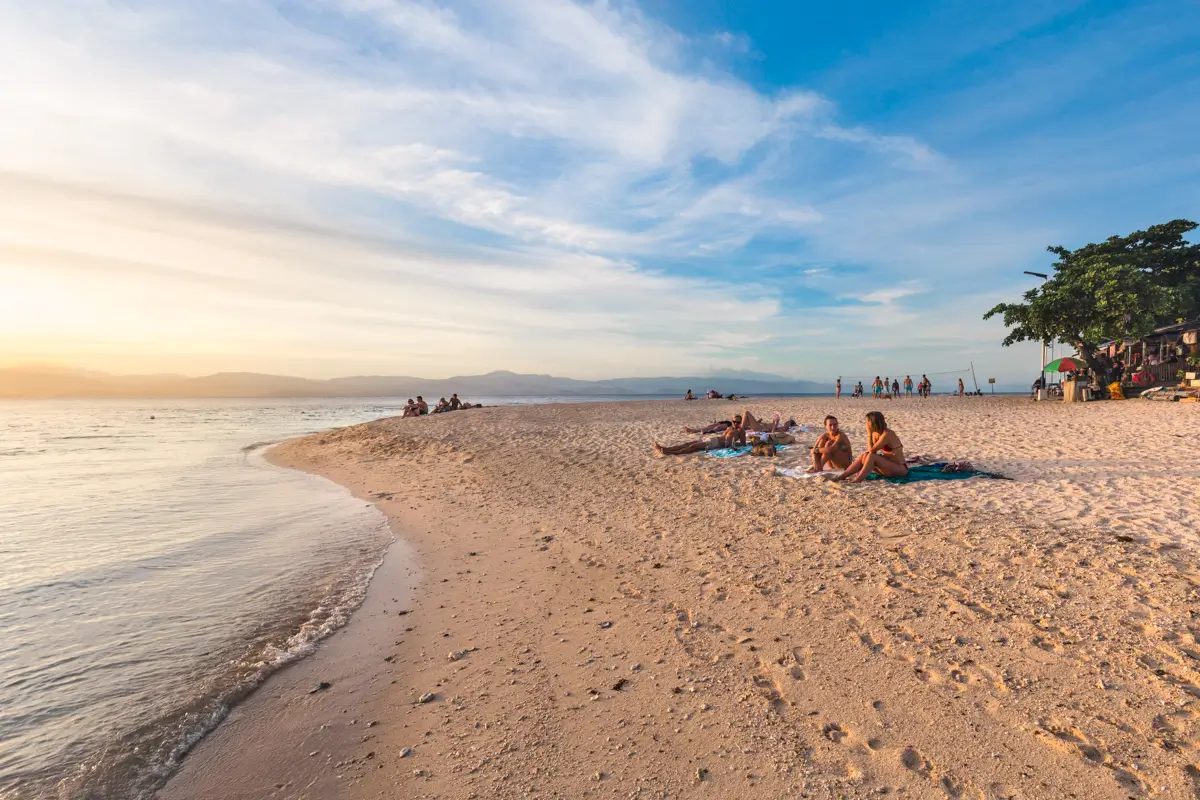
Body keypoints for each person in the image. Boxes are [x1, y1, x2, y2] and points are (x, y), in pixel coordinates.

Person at [833, 411, 908, 482]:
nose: (866, 424)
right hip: (887, 467)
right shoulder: (876, 433)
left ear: (873, 423)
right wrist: (871, 434)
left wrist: (869, 433)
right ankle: (843, 476)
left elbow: (872, 451)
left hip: (900, 468)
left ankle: (858, 479)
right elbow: (871, 451)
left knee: (871, 456)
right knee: (865, 455)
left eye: (867, 422)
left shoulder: (887, 434)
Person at [655, 423, 746, 456]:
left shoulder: (741, 431)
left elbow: (743, 444)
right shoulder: (730, 428)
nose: (735, 423)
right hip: (712, 439)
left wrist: (733, 445)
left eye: (738, 422)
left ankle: (673, 453)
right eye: (734, 421)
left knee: (693, 446)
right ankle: (666, 448)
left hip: (716, 443)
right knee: (688, 443)